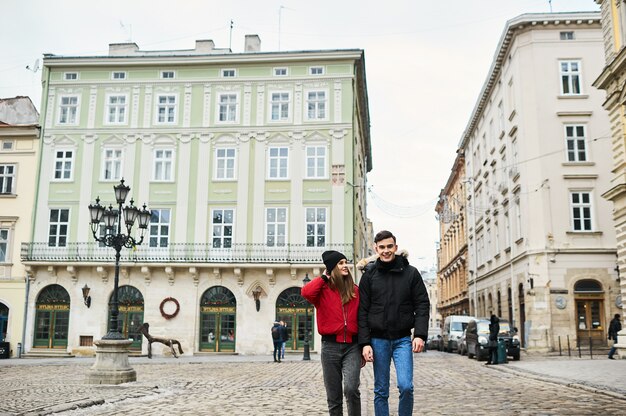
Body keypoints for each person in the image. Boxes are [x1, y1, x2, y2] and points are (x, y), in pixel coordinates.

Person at [358, 230, 430, 416]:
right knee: (381, 390)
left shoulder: (411, 273)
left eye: (390, 246)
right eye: (382, 247)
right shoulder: (369, 275)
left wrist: (420, 335)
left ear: (396, 248)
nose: (386, 251)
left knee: (406, 386)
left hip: (402, 340)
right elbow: (363, 311)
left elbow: (422, 304)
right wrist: (365, 343)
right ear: (376, 249)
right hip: (378, 340)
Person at [302, 250, 361, 416]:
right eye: (340, 263)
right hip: (330, 347)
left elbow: (363, 320)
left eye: (345, 263)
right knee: (333, 397)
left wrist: (364, 346)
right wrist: (323, 278)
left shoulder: (355, 290)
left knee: (351, 389)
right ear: (331, 268)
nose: (345, 266)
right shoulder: (321, 292)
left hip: (352, 346)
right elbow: (306, 292)